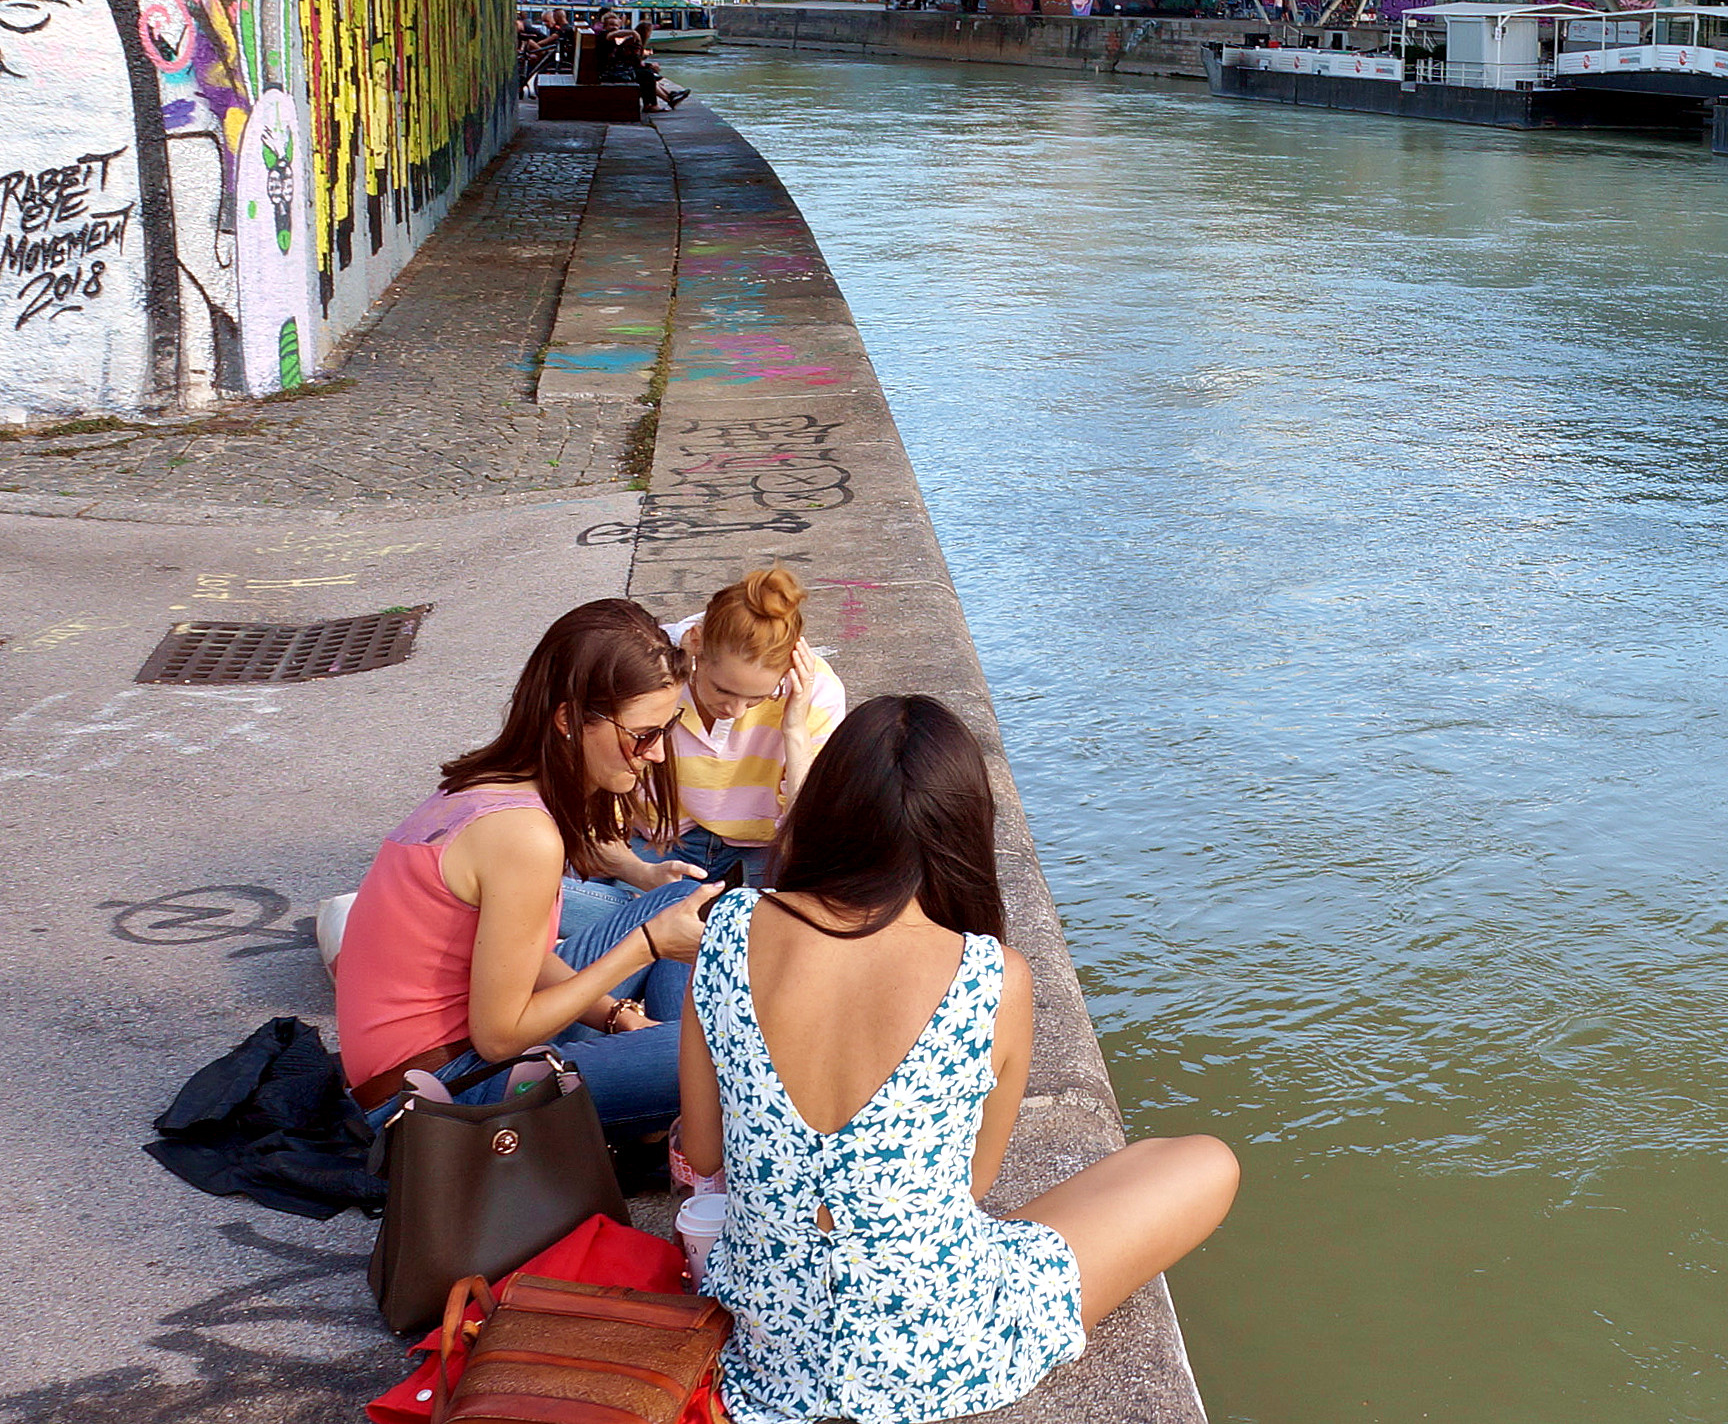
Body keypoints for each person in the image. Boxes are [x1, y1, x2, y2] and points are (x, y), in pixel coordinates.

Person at [678, 695, 1238, 1424]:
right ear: (963, 832)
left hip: (770, 1355)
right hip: (938, 1354)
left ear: (825, 810)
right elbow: (972, 1182)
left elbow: (703, 1151)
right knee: (1204, 1162)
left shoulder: (729, 928)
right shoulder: (991, 977)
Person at [334, 598, 724, 1137]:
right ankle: (685, 1091)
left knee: (688, 905)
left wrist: (621, 1019)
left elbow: (525, 957)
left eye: (667, 728)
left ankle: (670, 1071)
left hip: (447, 1060)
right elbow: (499, 1037)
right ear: (569, 720)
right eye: (643, 734)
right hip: (432, 1097)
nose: (656, 753)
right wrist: (647, 946)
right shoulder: (523, 835)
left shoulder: (488, 787)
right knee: (726, 1055)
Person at [664, 566, 845, 888]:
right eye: (722, 690)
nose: (734, 711)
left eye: (758, 698)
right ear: (695, 645)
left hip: (762, 849)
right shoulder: (654, 666)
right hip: (664, 841)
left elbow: (808, 831)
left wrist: (795, 730)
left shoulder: (819, 691)